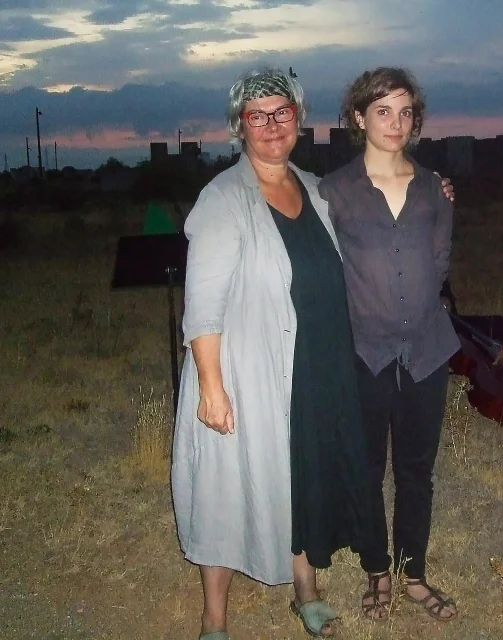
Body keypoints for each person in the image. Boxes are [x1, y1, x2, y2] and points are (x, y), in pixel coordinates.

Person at [171, 68, 374, 639]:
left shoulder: (314, 189)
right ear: (240, 126)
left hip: (311, 361)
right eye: (256, 115)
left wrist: (433, 188)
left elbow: (373, 213)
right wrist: (211, 385)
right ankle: (214, 618)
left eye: (280, 112)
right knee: (224, 485)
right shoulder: (223, 198)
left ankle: (305, 586)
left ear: (298, 119)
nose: (270, 125)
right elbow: (203, 303)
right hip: (245, 367)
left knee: (301, 473)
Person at [318, 67, 460, 623]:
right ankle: (377, 568)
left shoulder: (434, 189)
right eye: (383, 110)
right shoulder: (333, 192)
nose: (396, 122)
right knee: (367, 465)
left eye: (405, 112)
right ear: (359, 118)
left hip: (426, 352)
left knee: (417, 470)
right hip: (365, 353)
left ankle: (413, 572)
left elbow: (440, 261)